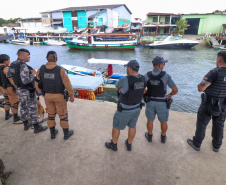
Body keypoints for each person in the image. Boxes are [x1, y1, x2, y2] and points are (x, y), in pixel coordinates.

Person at [187, 51, 226, 152]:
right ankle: (216, 146)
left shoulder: (214, 72)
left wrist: (204, 78)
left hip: (209, 103)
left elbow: (200, 88)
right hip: (223, 104)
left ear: (219, 60)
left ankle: (197, 143)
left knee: (202, 123)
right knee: (219, 124)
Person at [105, 60, 146, 151]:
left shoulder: (125, 79)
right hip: (137, 108)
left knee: (116, 126)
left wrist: (122, 89)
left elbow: (116, 85)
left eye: (127, 68)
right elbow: (142, 90)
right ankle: (129, 144)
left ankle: (114, 145)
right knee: (132, 126)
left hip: (124, 109)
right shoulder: (143, 78)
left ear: (130, 68)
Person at [35, 51, 74, 140]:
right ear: (56, 58)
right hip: (59, 96)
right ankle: (66, 134)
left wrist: (41, 92)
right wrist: (71, 96)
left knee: (51, 114)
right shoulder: (60, 70)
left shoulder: (41, 69)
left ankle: (52, 134)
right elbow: (67, 84)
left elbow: (36, 82)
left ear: (46, 58)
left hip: (47, 96)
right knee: (63, 115)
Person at [7, 48, 48, 133]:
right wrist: (33, 74)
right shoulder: (23, 66)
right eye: (27, 55)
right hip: (28, 91)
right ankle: (37, 127)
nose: (29, 57)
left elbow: (9, 75)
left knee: (23, 106)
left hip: (19, 90)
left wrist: (16, 85)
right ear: (21, 55)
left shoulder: (12, 64)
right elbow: (25, 80)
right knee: (32, 108)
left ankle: (26, 124)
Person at [144, 56, 178, 143]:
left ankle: (150, 136)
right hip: (162, 103)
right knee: (163, 121)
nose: (164, 65)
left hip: (150, 102)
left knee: (150, 120)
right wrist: (169, 95)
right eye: (163, 63)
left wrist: (146, 92)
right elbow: (175, 90)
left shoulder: (147, 75)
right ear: (159, 65)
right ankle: (163, 137)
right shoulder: (166, 76)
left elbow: (142, 89)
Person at [0, 54, 22, 124]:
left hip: (2, 88)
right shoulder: (6, 68)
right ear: (6, 61)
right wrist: (16, 86)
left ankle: (7, 115)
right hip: (9, 88)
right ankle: (16, 117)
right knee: (14, 102)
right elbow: (10, 78)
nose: (9, 62)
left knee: (6, 101)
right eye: (9, 60)